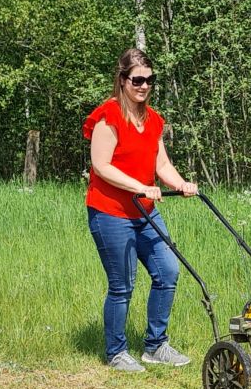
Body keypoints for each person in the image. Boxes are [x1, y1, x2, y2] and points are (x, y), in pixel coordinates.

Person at [84, 48, 199, 372]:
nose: (144, 85)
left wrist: (181, 184)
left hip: (145, 212)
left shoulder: (152, 120)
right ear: (122, 80)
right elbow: (101, 165)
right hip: (110, 213)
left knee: (168, 271)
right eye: (137, 79)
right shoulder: (108, 116)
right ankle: (116, 352)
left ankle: (155, 346)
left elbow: (161, 163)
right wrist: (140, 186)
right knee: (122, 285)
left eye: (150, 80)